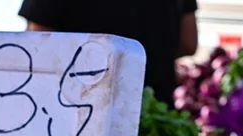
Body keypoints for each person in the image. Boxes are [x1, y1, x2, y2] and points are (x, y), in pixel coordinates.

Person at [18, 1, 198, 106]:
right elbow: (188, 43)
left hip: (76, 112)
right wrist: (137, 57)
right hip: (154, 113)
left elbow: (37, 43)